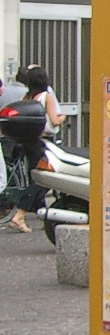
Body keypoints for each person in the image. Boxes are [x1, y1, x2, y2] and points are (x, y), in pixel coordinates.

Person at [5, 65, 64, 233]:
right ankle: (20, 215)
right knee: (43, 179)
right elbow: (54, 121)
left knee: (35, 176)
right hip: (41, 141)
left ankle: (43, 215)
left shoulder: (26, 97)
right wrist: (63, 117)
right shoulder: (46, 96)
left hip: (28, 142)